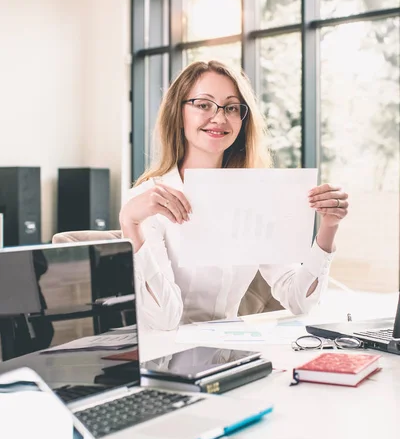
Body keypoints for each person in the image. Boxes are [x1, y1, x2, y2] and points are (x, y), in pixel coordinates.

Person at [119, 60, 349, 331]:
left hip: (231, 354)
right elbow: (164, 319)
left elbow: (299, 300)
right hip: (164, 359)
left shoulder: (255, 196)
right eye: (203, 104)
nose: (218, 118)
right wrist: (129, 223)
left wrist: (329, 228)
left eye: (231, 107)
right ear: (178, 114)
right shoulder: (146, 201)